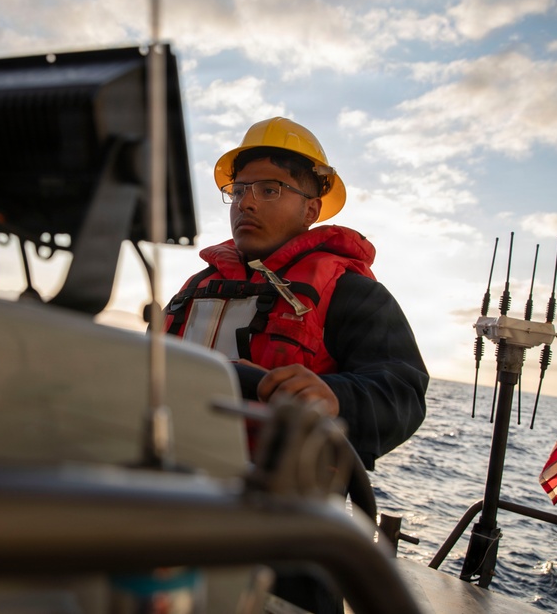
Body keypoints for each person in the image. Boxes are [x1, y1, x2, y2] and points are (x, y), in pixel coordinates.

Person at [163, 117, 428, 612]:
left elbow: (403, 390)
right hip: (170, 510)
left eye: (269, 189)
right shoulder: (195, 288)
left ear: (311, 209)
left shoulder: (352, 294)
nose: (246, 202)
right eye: (239, 190)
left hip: (286, 534)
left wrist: (336, 396)